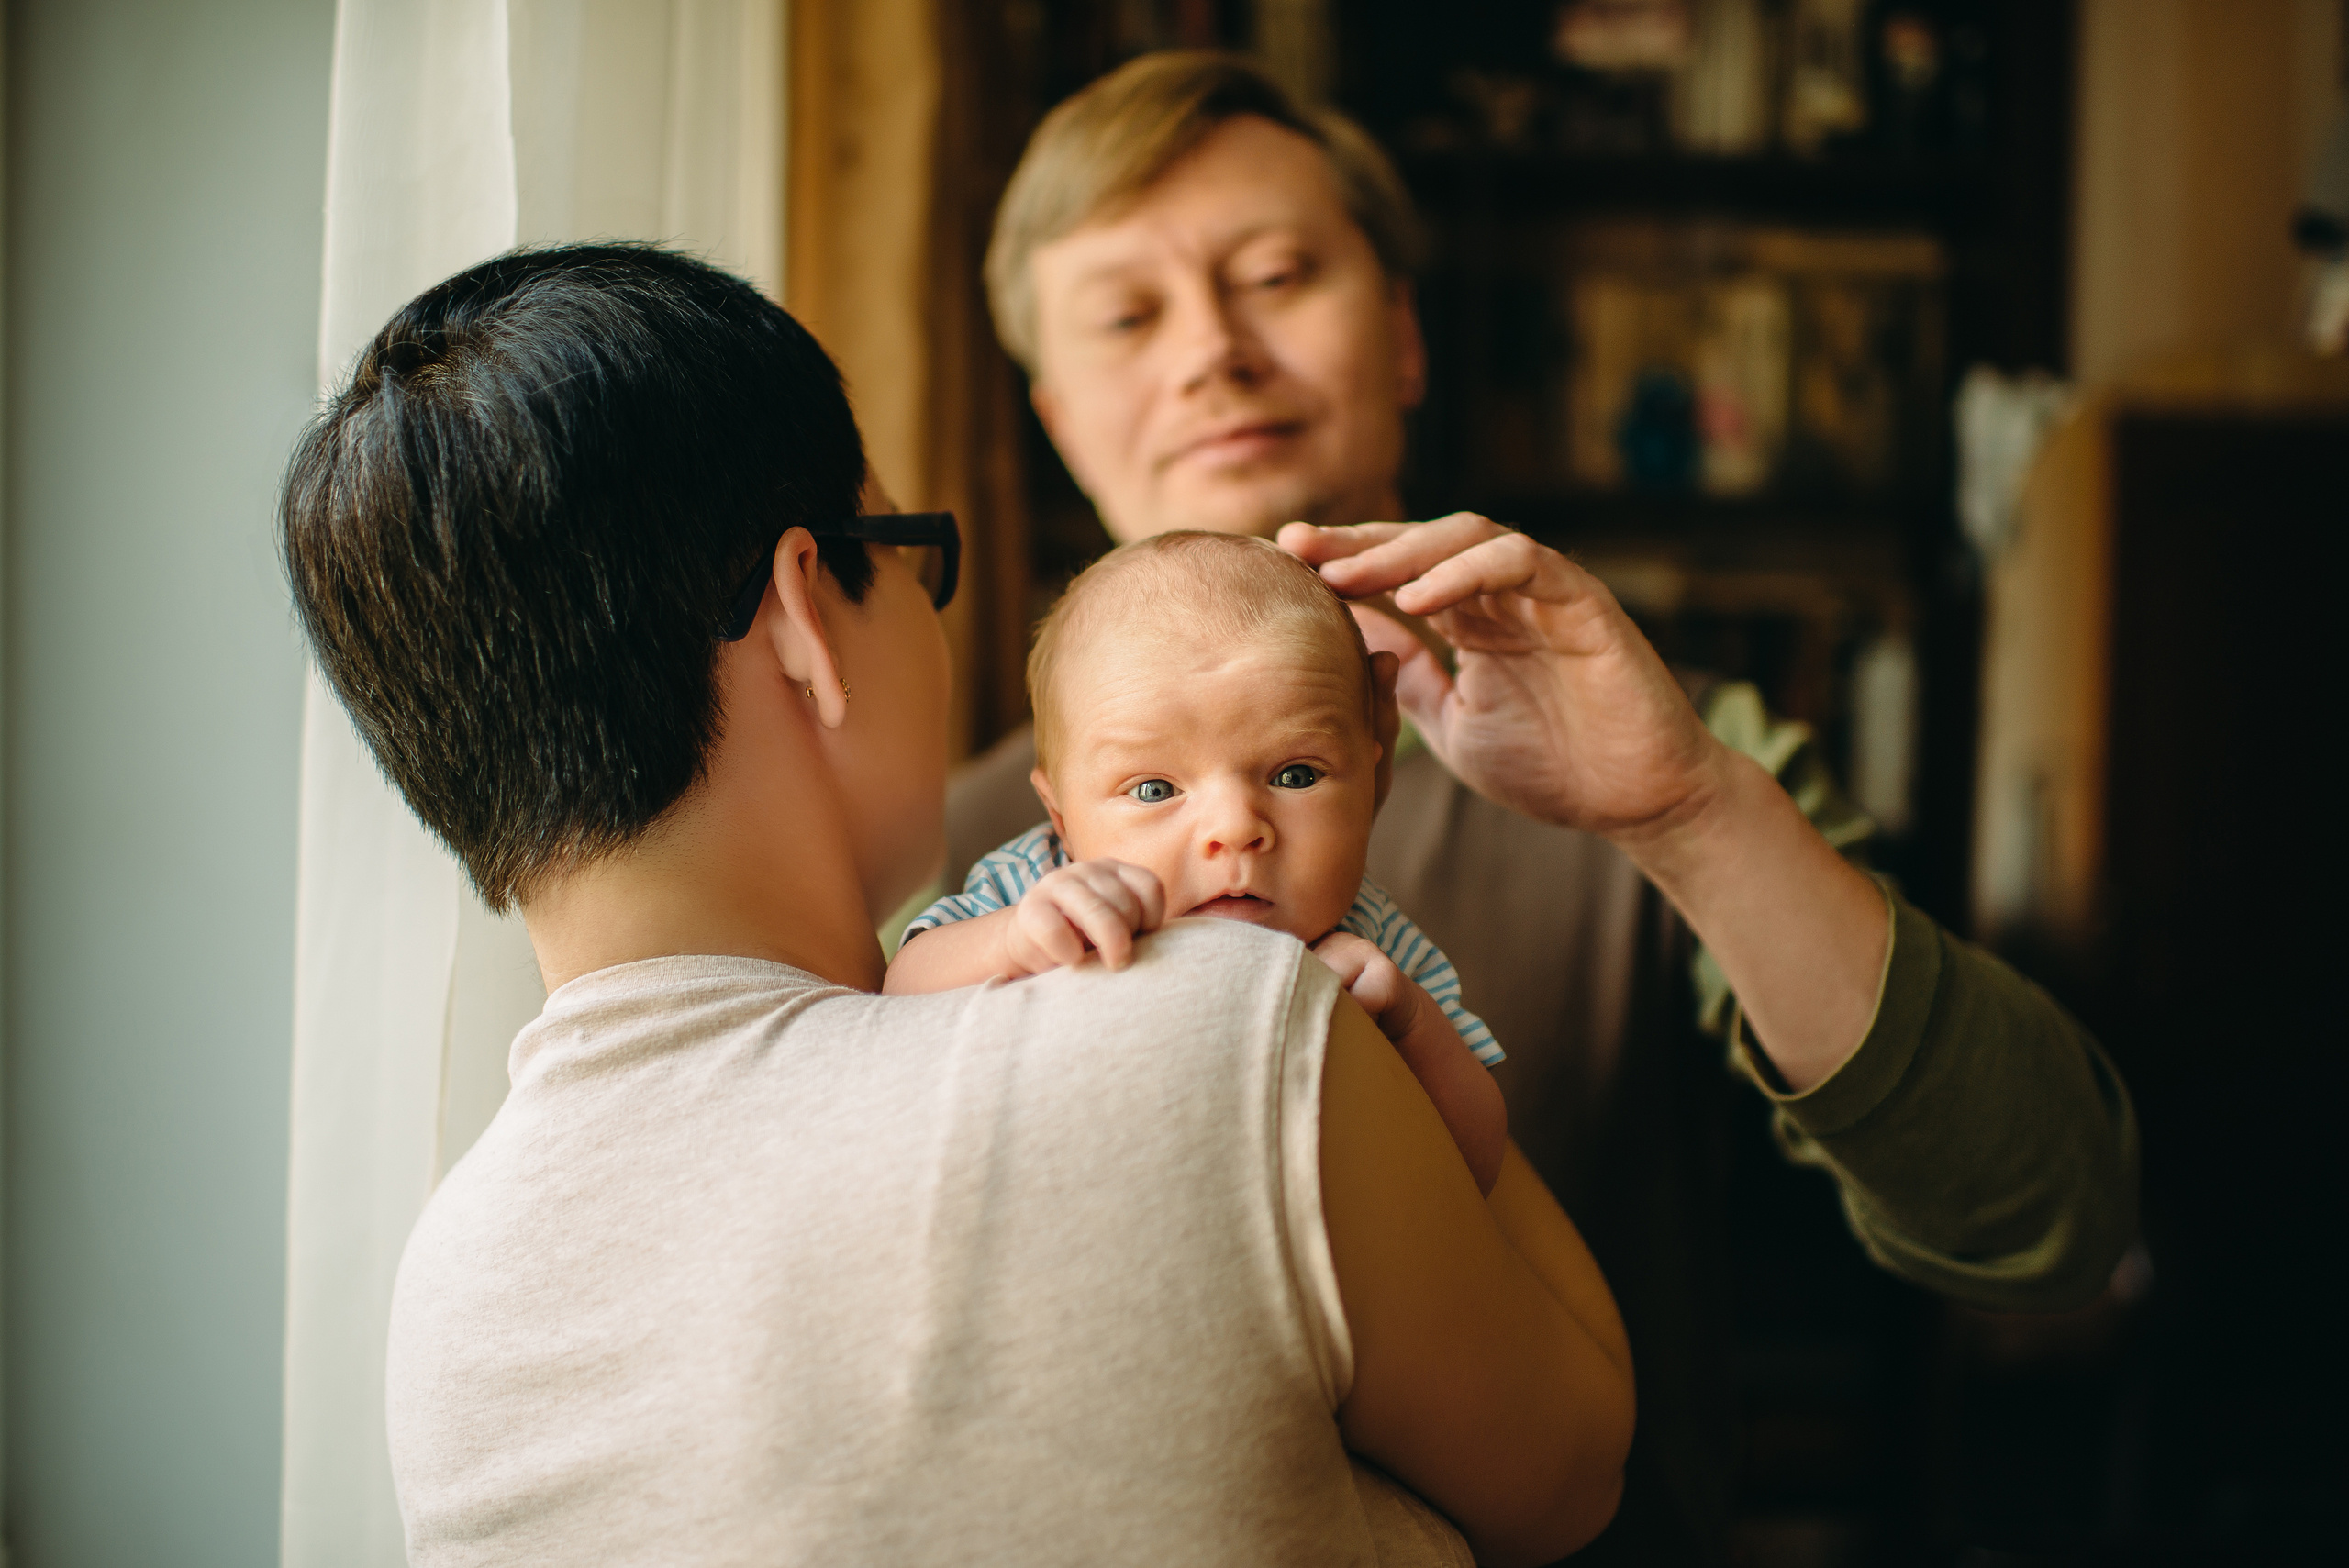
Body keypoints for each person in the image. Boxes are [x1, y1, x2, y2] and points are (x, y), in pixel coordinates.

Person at [955, 50, 2142, 1562]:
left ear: (1401, 335)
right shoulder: (961, 866)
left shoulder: (1682, 750)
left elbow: (2048, 1216)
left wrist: (1686, 811)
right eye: (1130, 315)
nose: (1214, 352)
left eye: (1274, 274)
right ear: (1056, 415)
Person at [283, 243, 1635, 1565]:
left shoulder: (453, 1298)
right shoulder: (1218, 1028)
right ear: (810, 616)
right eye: (914, 552)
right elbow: (1576, 1472)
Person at [887, 530, 1507, 1193]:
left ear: (1368, 778)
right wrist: (1010, 940)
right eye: (1154, 790)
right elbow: (900, 996)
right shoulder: (1040, 886)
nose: (1236, 828)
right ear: (1062, 819)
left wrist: (1409, 1022)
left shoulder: (1363, 939)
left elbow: (1479, 1160)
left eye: (1297, 774)